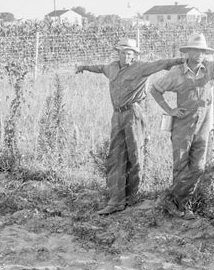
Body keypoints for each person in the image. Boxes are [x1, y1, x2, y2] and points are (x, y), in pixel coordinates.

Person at [76, 37, 185, 215]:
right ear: (118, 53)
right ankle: (116, 200)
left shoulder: (140, 67)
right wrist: (84, 67)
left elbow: (162, 63)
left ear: (134, 56)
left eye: (130, 54)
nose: (127, 56)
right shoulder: (112, 67)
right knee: (116, 156)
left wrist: (182, 60)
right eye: (124, 53)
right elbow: (99, 68)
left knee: (135, 154)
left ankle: (132, 196)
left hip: (134, 114)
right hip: (117, 115)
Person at [150, 33, 214, 220]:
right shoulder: (176, 72)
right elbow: (155, 89)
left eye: (203, 51)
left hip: (202, 127)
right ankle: (181, 207)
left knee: (198, 168)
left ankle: (169, 199)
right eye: (196, 50)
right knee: (181, 167)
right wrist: (170, 110)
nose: (200, 54)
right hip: (182, 126)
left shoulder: (210, 68)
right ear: (188, 52)